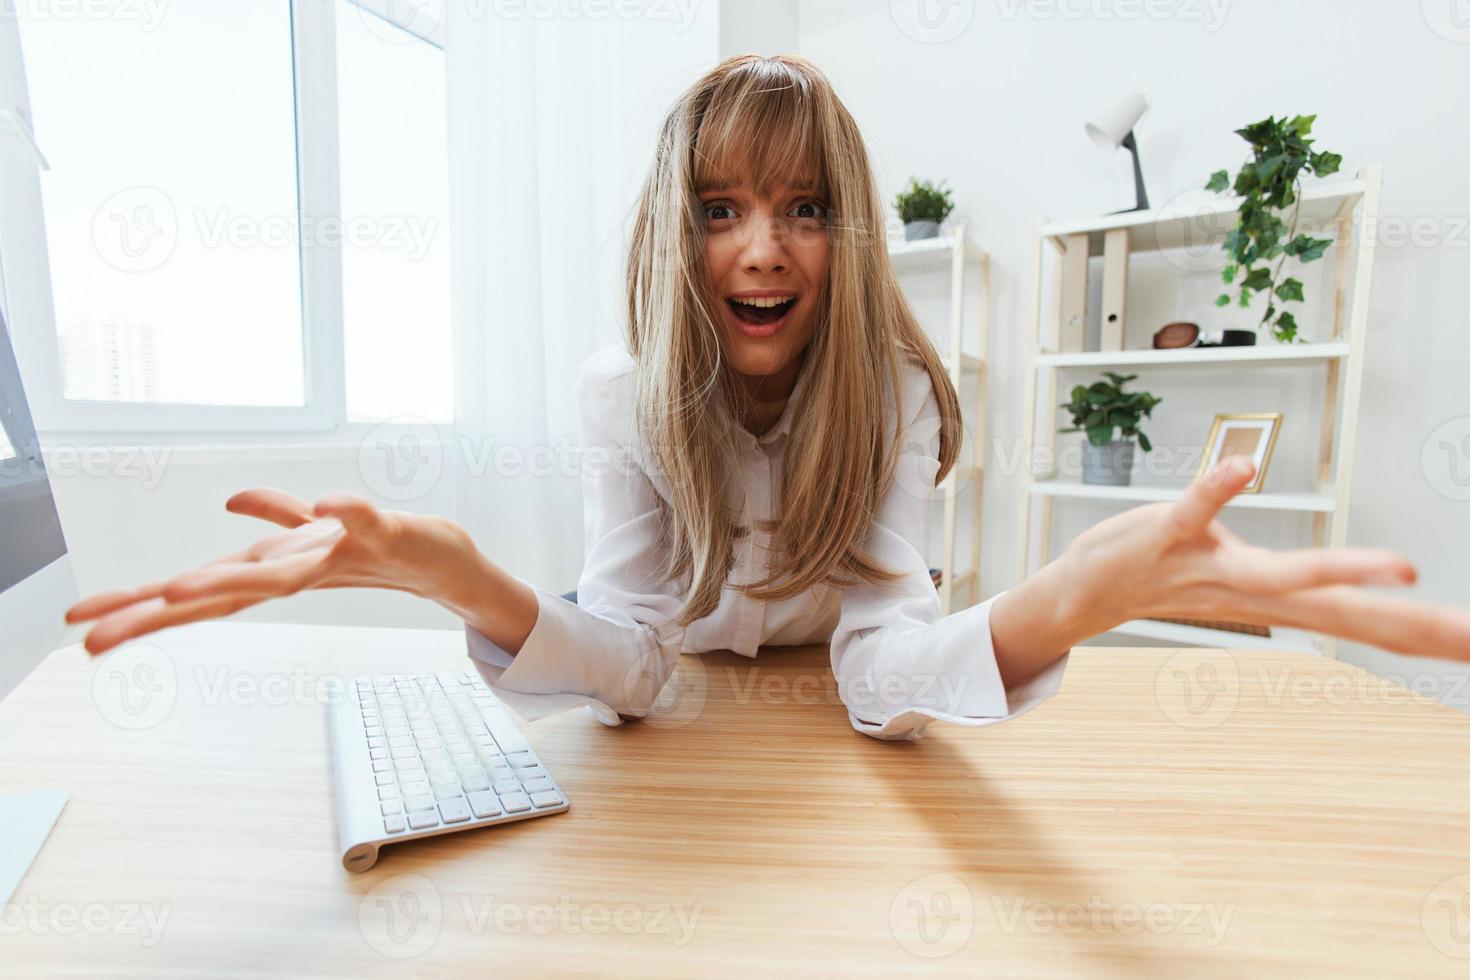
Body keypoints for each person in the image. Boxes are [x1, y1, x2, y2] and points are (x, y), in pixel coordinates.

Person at [65, 55, 1470, 740]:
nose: (759, 248)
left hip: (815, 730)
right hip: (683, 747)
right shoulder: (618, 393)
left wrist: (1065, 601)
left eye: (802, 208)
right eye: (718, 208)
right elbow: (632, 665)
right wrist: (477, 587)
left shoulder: (897, 396)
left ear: (847, 232)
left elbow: (879, 668)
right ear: (670, 232)